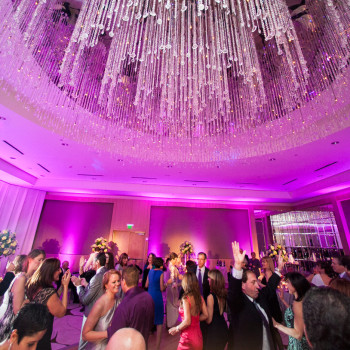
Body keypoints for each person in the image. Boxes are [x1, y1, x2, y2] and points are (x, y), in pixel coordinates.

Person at [227, 241, 282, 350]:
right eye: (253, 282)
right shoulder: (239, 304)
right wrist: (237, 266)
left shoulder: (259, 296)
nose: (258, 286)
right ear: (242, 285)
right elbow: (233, 292)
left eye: (256, 282)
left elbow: (270, 288)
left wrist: (279, 269)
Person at [0, 250, 45, 343]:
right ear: (30, 260)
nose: (41, 263)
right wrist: (29, 302)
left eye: (43, 260)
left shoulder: (28, 278)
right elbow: (17, 310)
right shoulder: (22, 278)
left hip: (18, 323)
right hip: (9, 322)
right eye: (39, 260)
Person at [26, 258, 71, 350]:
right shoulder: (48, 292)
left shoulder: (36, 284)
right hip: (42, 332)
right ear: (50, 271)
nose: (60, 271)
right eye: (58, 269)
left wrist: (62, 286)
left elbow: (52, 300)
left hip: (32, 328)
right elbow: (61, 312)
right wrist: (66, 286)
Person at [107, 266, 154, 346]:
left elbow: (115, 336)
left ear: (124, 282)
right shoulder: (148, 297)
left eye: (120, 280)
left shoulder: (125, 305)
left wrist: (110, 327)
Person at [72, 252, 107, 350]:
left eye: (92, 261)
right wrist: (87, 285)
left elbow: (85, 300)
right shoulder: (106, 272)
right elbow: (98, 290)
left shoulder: (97, 277)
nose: (90, 263)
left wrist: (78, 285)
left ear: (98, 262)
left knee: (84, 339)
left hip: (92, 312)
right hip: (101, 312)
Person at [82, 270, 122, 350]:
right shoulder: (100, 304)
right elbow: (85, 335)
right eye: (114, 282)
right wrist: (108, 333)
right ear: (106, 285)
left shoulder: (118, 300)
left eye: (118, 281)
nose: (117, 284)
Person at [169, 272, 208, 350]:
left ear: (186, 283)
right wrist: (196, 319)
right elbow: (206, 315)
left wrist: (176, 329)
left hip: (187, 337)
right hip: (198, 336)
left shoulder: (186, 299)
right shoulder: (200, 297)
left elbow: (187, 321)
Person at [273, 272, 311, 350]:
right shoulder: (299, 301)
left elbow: (298, 334)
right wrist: (283, 300)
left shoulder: (299, 303)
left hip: (298, 345)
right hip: (295, 343)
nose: (286, 285)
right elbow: (294, 312)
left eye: (288, 283)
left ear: (295, 284)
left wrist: (277, 325)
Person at [205, 269, 228, 350]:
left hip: (214, 331)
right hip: (223, 329)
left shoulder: (210, 297)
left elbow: (209, 320)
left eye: (209, 278)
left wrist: (201, 316)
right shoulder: (222, 294)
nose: (207, 279)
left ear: (213, 281)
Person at [146, 257, 166, 350]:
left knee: (148, 321)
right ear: (161, 265)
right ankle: (157, 347)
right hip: (157, 298)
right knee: (159, 322)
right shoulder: (161, 273)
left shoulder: (150, 272)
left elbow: (146, 285)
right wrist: (167, 284)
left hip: (149, 296)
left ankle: (144, 345)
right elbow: (162, 288)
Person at [165, 252, 182, 328]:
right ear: (172, 259)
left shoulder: (170, 267)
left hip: (171, 288)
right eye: (175, 259)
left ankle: (169, 323)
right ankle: (170, 324)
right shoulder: (172, 268)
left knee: (170, 306)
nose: (176, 261)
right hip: (171, 289)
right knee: (172, 306)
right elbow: (172, 280)